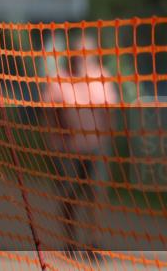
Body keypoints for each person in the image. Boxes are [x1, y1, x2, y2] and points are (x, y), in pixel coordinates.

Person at [41, 45, 118, 257]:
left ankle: (94, 242)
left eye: (86, 52)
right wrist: (60, 127)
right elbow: (49, 112)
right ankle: (70, 242)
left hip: (95, 147)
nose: (82, 57)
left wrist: (107, 139)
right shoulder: (58, 80)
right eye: (78, 52)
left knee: (96, 193)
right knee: (69, 196)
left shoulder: (101, 77)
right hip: (65, 150)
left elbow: (108, 111)